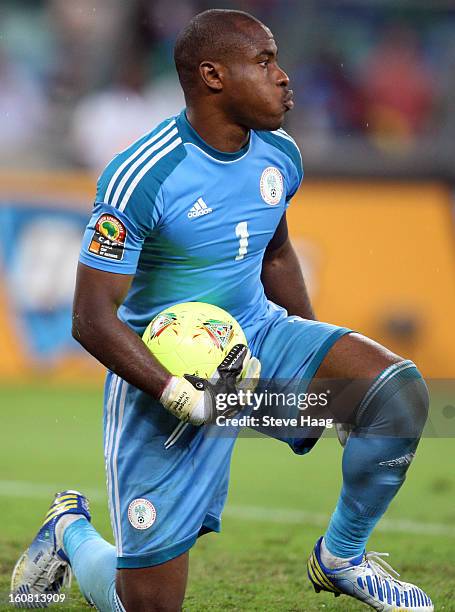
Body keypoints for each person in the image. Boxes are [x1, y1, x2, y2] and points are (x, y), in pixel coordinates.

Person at [11, 9, 432, 612]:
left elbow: (278, 253)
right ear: (213, 76)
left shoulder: (279, 155)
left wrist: (309, 358)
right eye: (264, 62)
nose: (284, 77)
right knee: (147, 605)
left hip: (257, 337)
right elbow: (91, 317)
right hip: (164, 382)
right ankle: (71, 532)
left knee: (395, 394)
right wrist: (177, 392)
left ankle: (343, 556)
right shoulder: (144, 175)